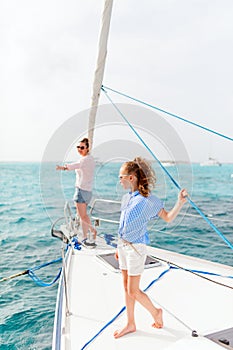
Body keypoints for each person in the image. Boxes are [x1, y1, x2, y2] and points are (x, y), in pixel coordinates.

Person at [114, 157, 188, 339]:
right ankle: (130, 323)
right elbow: (122, 224)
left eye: (121, 176)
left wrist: (180, 202)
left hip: (136, 249)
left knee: (133, 290)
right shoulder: (126, 198)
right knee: (125, 287)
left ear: (131, 178)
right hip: (123, 246)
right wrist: (118, 246)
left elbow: (168, 218)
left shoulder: (150, 201)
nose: (119, 180)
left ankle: (156, 312)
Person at [56, 137, 96, 244]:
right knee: (85, 215)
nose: (79, 149)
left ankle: (86, 235)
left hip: (81, 191)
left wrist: (62, 167)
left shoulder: (83, 160)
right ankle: (90, 231)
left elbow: (74, 166)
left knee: (82, 216)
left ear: (87, 148)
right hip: (88, 191)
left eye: (82, 147)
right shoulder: (91, 159)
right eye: (78, 147)